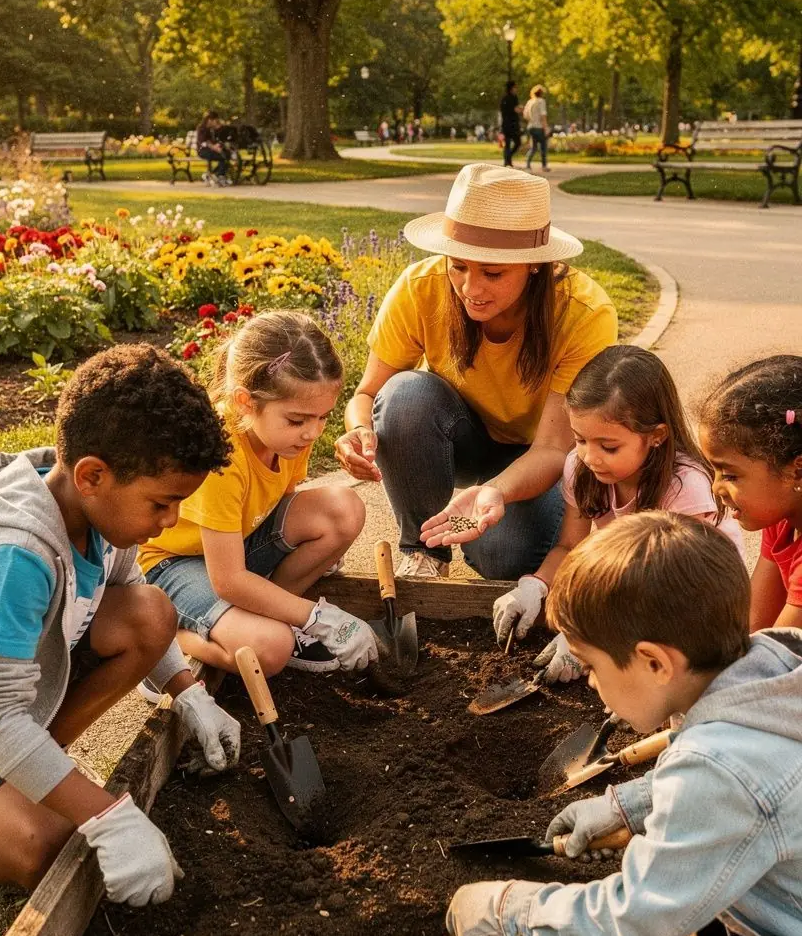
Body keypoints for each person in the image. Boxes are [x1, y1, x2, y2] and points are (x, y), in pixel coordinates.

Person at [446, 512, 802, 936]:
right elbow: (744, 779)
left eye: (592, 666)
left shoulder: (717, 772)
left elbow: (634, 920)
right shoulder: (772, 660)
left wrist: (513, 912)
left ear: (654, 662)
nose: (589, 682)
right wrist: (625, 805)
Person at [0, 344, 238, 903]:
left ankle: (29, 775)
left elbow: (130, 602)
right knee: (47, 849)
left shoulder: (93, 512)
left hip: (7, 708)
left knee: (151, 614)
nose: (171, 521)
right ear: (93, 475)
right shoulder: (15, 556)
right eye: (161, 504)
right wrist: (108, 816)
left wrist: (189, 693)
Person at [334, 164, 617, 581]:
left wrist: (495, 492)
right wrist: (358, 430)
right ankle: (425, 552)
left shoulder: (583, 314)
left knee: (500, 557)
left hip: (536, 454)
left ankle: (468, 524)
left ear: (534, 264)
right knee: (404, 394)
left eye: (493, 272)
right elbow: (369, 393)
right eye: (459, 266)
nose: (470, 289)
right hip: (459, 435)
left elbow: (555, 449)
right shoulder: (420, 287)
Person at [139, 310, 378, 677]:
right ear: (245, 402)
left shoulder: (289, 435)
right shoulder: (222, 454)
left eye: (323, 417)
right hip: (173, 562)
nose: (313, 432)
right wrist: (320, 617)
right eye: (298, 420)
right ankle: (163, 646)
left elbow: (281, 503)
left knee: (343, 509)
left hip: (233, 546)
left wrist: (312, 551)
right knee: (270, 648)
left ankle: (267, 614)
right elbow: (229, 580)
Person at [493, 345, 744, 682]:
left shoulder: (684, 488)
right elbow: (571, 548)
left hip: (701, 603)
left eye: (608, 447)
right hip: (640, 584)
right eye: (580, 439)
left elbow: (678, 592)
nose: (590, 456)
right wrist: (535, 586)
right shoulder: (582, 469)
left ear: (656, 436)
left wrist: (595, 639)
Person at [699, 355, 802, 632]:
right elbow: (753, 625)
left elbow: (776, 659)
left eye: (730, 475)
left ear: (797, 472)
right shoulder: (784, 516)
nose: (716, 488)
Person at [196, 109, 231, 186]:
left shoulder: (212, 129)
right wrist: (214, 147)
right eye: (215, 120)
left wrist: (219, 145)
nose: (216, 122)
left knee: (227, 154)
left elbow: (216, 140)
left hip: (211, 149)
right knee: (223, 157)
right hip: (202, 151)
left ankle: (212, 175)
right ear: (210, 120)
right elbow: (202, 143)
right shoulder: (201, 128)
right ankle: (219, 176)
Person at [524, 84, 549, 171]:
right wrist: (546, 128)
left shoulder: (529, 102)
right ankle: (544, 166)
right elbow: (543, 115)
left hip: (531, 127)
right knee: (543, 147)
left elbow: (525, 116)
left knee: (533, 147)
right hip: (539, 127)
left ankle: (527, 164)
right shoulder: (541, 101)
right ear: (541, 93)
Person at [499, 81, 521, 167]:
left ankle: (508, 159)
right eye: (515, 87)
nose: (516, 89)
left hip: (510, 123)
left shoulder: (511, 98)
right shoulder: (509, 98)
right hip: (510, 124)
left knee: (514, 143)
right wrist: (519, 109)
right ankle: (508, 161)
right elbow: (514, 109)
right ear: (511, 88)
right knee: (511, 143)